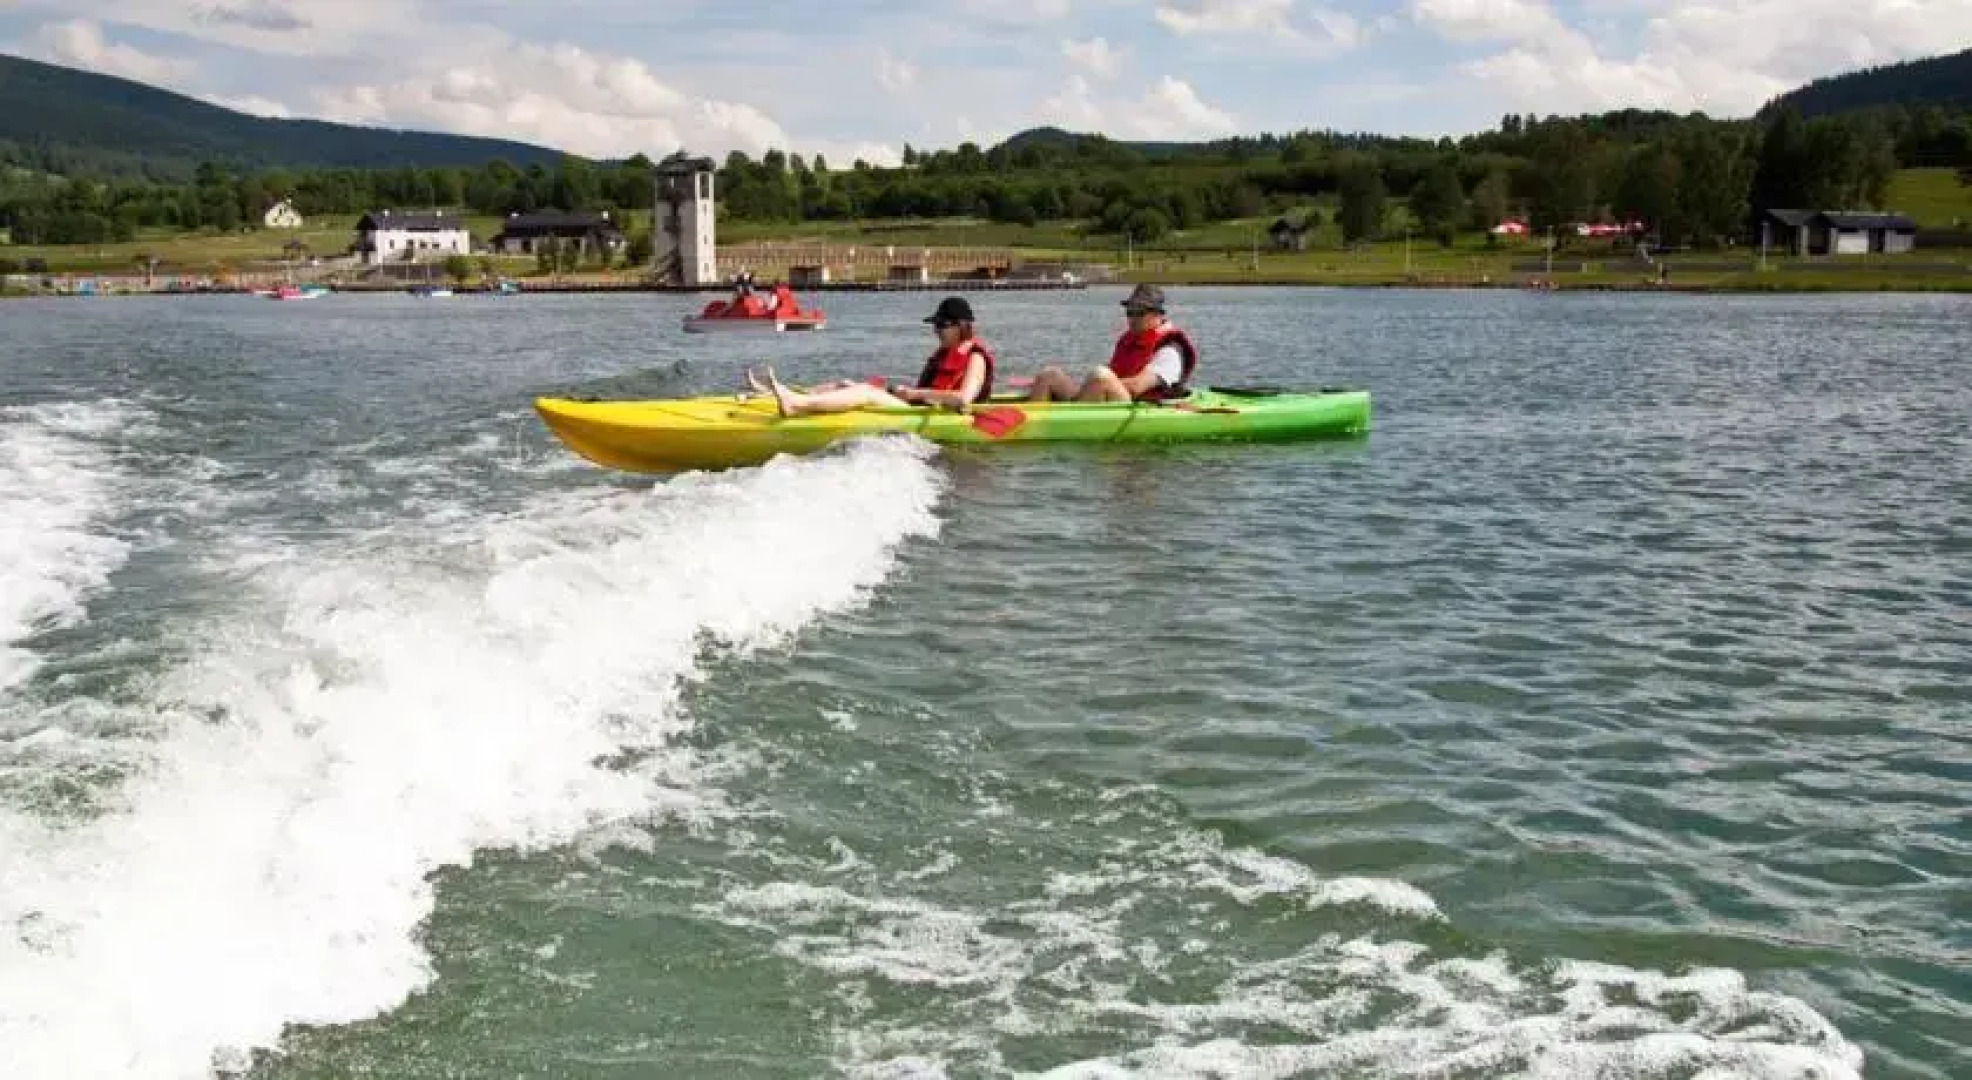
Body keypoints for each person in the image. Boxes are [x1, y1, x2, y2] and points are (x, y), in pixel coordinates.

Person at [748, 296, 994, 418]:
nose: (935, 330)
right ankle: (779, 394)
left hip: (940, 416)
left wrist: (915, 394)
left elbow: (964, 398)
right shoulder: (946, 352)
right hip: (921, 407)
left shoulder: (975, 358)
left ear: (960, 326)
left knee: (866, 393)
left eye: (941, 325)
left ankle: (797, 406)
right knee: (845, 383)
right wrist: (909, 394)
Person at [1022, 283, 1197, 403]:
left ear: (1157, 315)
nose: (1132, 318)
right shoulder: (1128, 339)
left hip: (1140, 405)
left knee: (1100, 376)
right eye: (1129, 312)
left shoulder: (1169, 350)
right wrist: (1089, 384)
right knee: (1049, 375)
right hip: (1112, 398)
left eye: (1139, 312)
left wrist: (1095, 382)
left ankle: (1065, 421)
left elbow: (1137, 387)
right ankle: (1030, 419)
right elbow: (1113, 372)